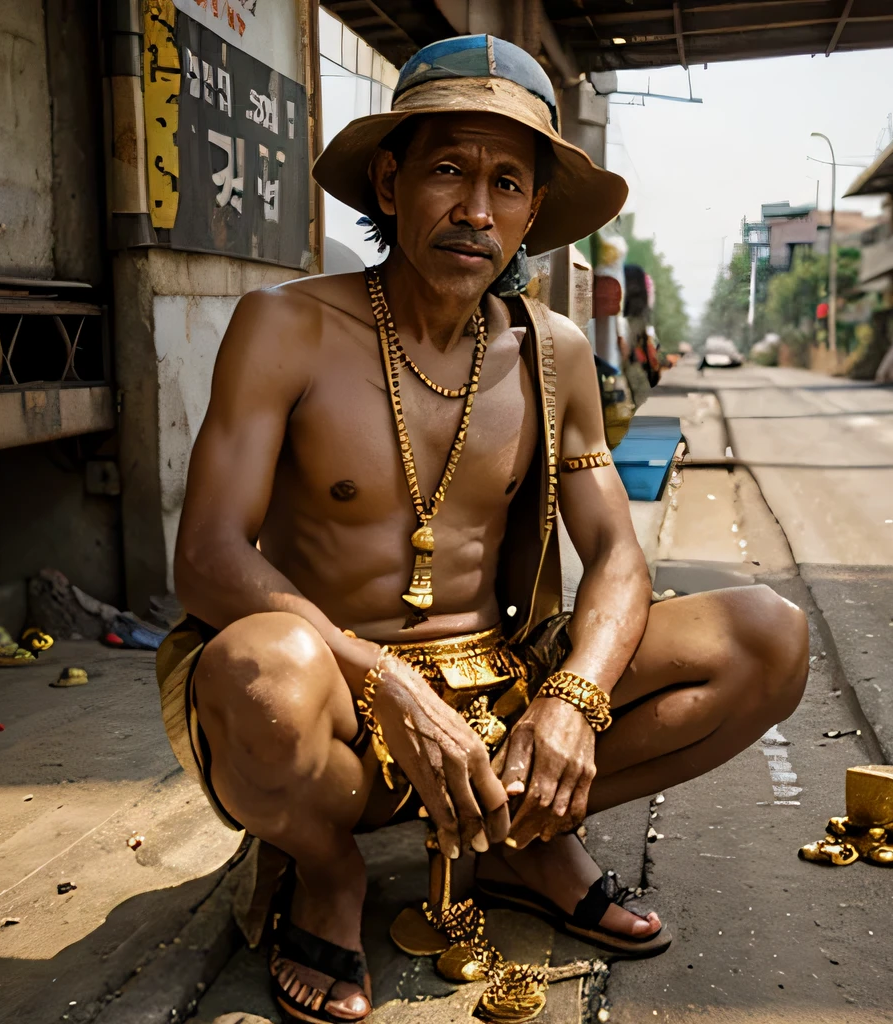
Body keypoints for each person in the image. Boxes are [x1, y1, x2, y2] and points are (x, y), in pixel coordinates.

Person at [157, 34, 808, 1024]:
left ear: (534, 211)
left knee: (769, 636)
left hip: (500, 699)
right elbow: (205, 556)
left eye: (508, 182)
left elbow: (619, 555)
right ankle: (325, 867)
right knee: (257, 670)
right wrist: (384, 680)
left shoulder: (554, 353)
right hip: (334, 698)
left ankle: (524, 839)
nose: (476, 209)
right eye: (449, 169)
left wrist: (572, 700)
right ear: (390, 178)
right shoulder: (285, 328)